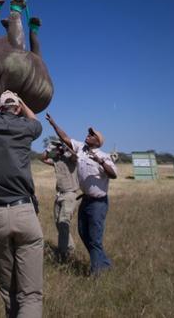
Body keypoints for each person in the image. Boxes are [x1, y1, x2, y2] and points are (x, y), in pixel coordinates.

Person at [0, 86, 43, 318]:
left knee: (8, 288)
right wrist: (23, 103)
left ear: (0, 108)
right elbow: (35, 119)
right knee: (30, 295)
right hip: (25, 212)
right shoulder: (26, 128)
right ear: (17, 108)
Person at [45, 113, 117, 275]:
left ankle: (96, 272)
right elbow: (65, 138)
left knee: (95, 238)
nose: (88, 135)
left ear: (97, 141)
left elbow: (113, 175)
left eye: (91, 135)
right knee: (83, 233)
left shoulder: (104, 156)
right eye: (88, 133)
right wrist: (53, 124)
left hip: (98, 203)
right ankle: (104, 263)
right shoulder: (81, 150)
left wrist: (101, 162)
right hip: (85, 200)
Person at [40, 139, 80, 261]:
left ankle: (63, 254)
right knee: (59, 223)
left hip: (69, 195)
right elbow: (42, 158)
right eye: (57, 147)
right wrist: (49, 148)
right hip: (59, 195)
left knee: (63, 223)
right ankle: (70, 248)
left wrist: (66, 146)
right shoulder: (56, 160)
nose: (58, 149)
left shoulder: (71, 159)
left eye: (59, 147)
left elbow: (75, 156)